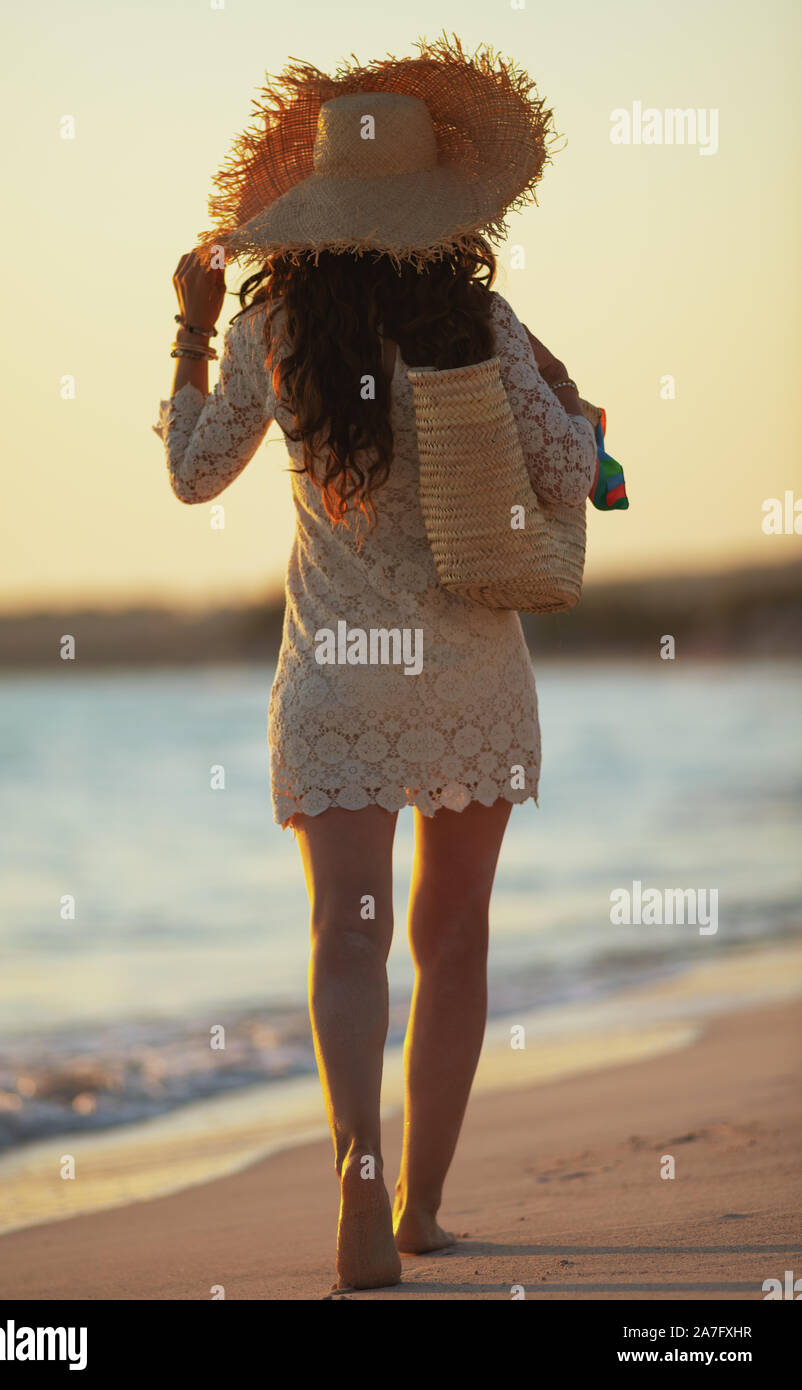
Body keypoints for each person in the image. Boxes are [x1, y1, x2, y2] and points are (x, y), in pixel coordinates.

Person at [153, 37, 597, 1292]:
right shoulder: (477, 322)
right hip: (467, 669)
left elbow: (192, 476)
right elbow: (579, 481)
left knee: (344, 938)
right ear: (443, 205)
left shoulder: (272, 326)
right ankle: (422, 1210)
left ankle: (354, 1189)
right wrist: (564, 400)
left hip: (337, 673)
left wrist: (188, 336)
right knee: (451, 937)